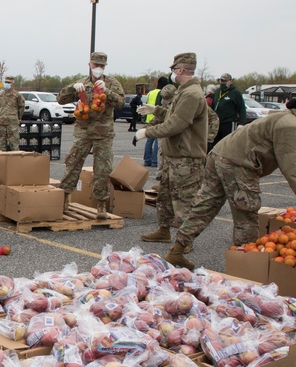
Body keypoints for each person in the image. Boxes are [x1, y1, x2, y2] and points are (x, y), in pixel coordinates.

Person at [165, 95, 296, 269]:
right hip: (238, 164)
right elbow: (291, 167)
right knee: (246, 215)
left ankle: (176, 251)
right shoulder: (290, 125)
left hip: (220, 155)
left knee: (206, 205)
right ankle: (245, 267)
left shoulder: (282, 117)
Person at [134, 52, 208, 244]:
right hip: (174, 155)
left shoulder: (191, 94)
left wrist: (147, 132)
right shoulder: (184, 90)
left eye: (174, 69)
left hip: (186, 157)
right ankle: (164, 231)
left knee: (184, 203)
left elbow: (176, 124)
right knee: (165, 198)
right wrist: (156, 110)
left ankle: (185, 243)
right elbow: (174, 115)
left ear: (181, 70)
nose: (172, 73)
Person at [57, 52, 126, 219]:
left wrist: (107, 91)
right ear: (89, 65)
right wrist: (71, 89)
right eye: (95, 65)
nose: (98, 68)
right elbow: (60, 99)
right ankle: (65, 198)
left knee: (102, 169)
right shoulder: (81, 82)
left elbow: (121, 104)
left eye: (101, 66)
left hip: (103, 133)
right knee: (72, 163)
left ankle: (101, 205)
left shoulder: (112, 83)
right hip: (83, 131)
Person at [211, 73, 246, 146]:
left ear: (230, 81)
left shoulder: (235, 93)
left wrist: (241, 123)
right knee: (215, 144)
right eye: (221, 81)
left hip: (228, 123)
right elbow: (213, 106)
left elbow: (242, 108)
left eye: (225, 81)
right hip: (217, 123)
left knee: (227, 144)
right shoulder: (218, 91)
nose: (223, 82)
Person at [0, 76, 25, 152]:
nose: (7, 84)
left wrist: (19, 117)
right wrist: (0, 115)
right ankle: (1, 162)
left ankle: (14, 163)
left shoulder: (17, 95)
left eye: (9, 82)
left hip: (12, 123)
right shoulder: (0, 95)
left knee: (14, 145)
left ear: (13, 83)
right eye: (6, 82)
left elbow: (21, 106)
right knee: (1, 145)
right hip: (2, 122)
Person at [142, 77, 168, 166]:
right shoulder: (163, 93)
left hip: (149, 118)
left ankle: (146, 160)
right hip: (158, 118)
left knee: (149, 141)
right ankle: (154, 161)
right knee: (157, 142)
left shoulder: (150, 93)